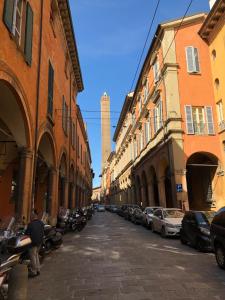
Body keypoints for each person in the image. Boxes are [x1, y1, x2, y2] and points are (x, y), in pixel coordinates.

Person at [25, 211, 44, 278]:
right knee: (36, 255)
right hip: (39, 242)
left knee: (33, 256)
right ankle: (38, 269)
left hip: (33, 243)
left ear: (32, 217)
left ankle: (34, 271)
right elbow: (42, 232)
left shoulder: (30, 224)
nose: (30, 218)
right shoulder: (41, 223)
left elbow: (27, 234)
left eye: (30, 217)